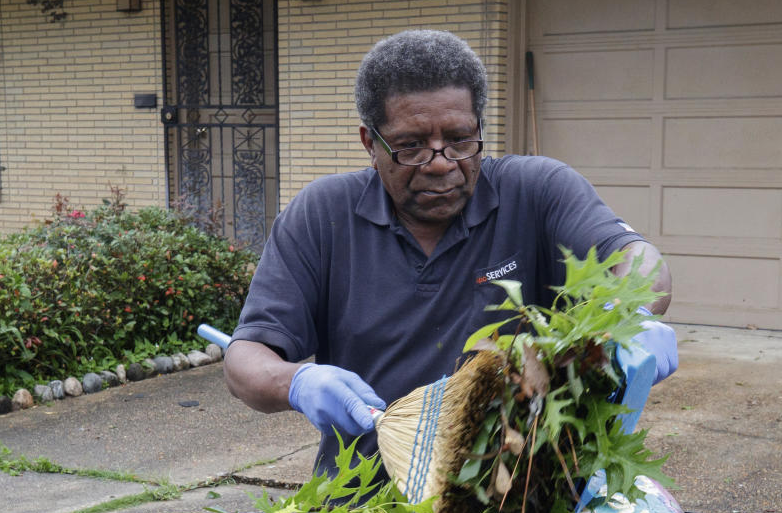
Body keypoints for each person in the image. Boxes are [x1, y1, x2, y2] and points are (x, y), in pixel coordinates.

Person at [224, 29, 676, 479]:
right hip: (368, 512)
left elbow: (637, 259)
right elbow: (245, 360)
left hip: (518, 501)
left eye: (460, 139)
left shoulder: (537, 192)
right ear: (370, 142)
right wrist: (296, 382)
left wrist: (625, 314)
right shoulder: (323, 215)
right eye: (410, 145)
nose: (441, 162)